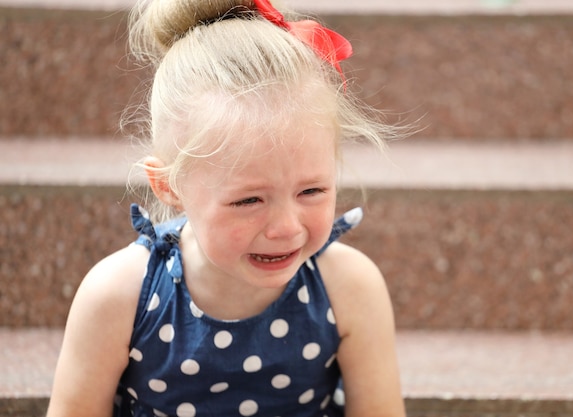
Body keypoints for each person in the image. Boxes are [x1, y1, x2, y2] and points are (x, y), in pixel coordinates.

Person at [47, 0, 405, 416]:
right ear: (169, 185)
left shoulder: (347, 288)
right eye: (249, 200)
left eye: (311, 191)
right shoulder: (118, 297)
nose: (287, 228)